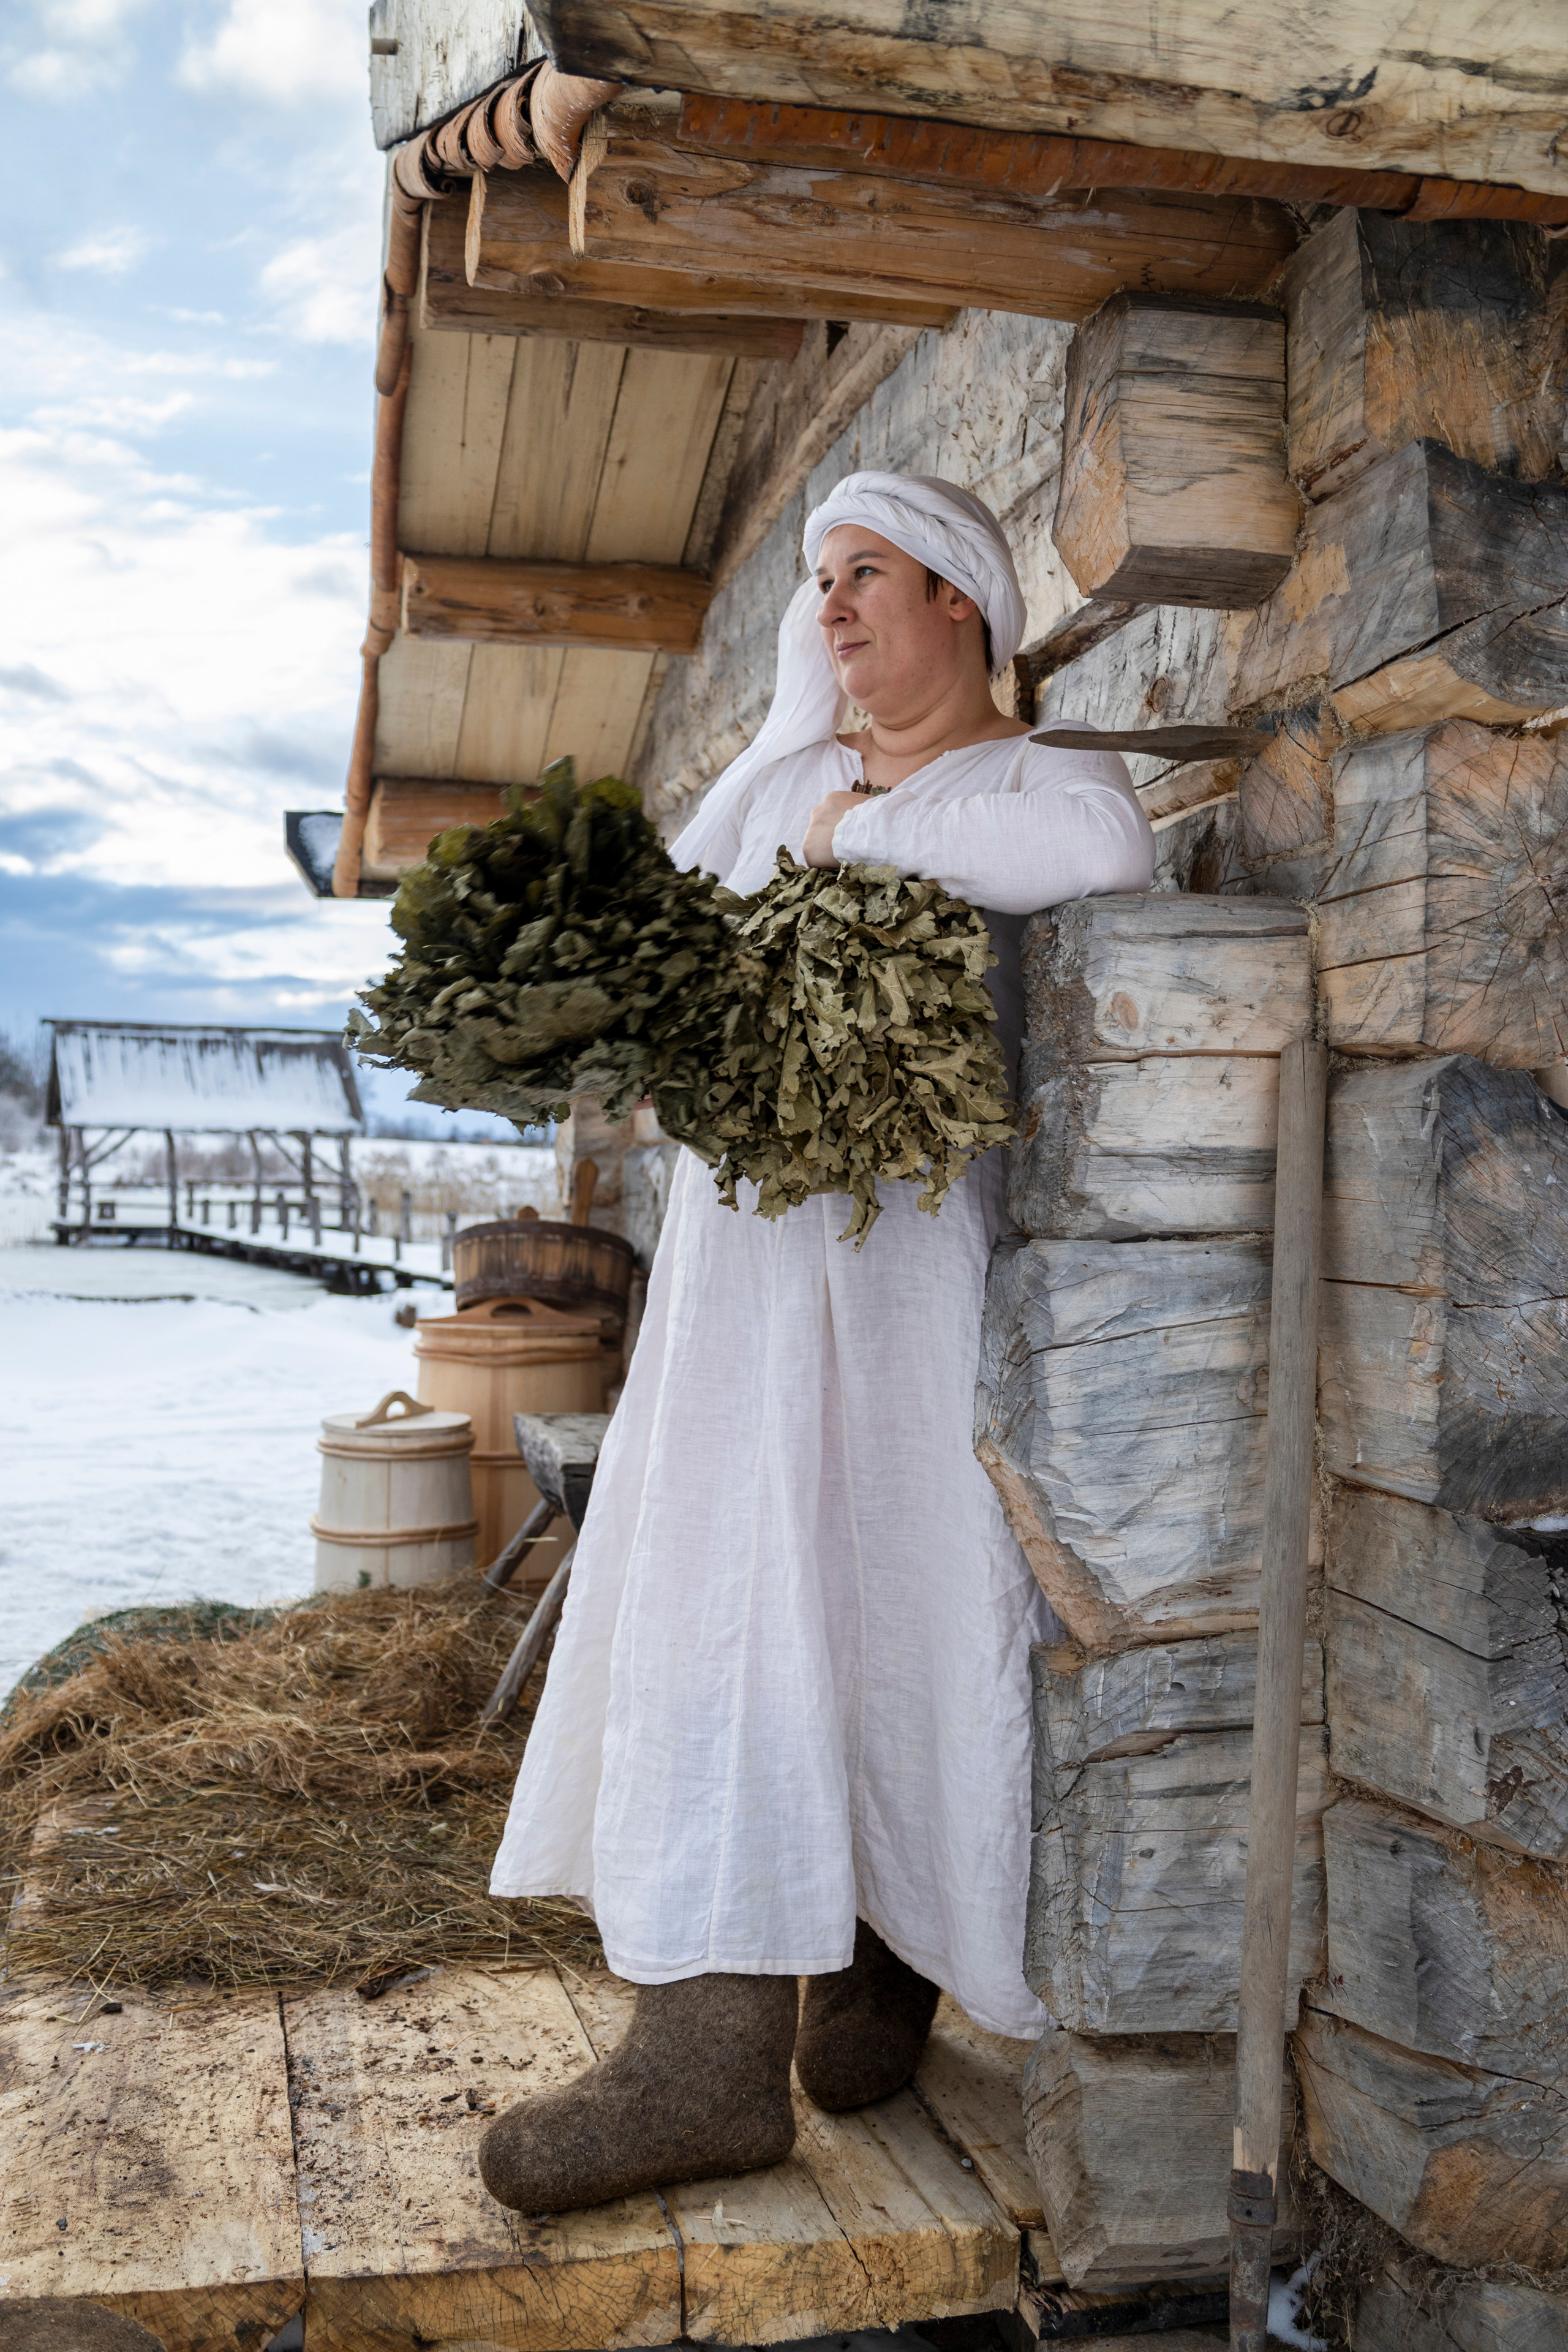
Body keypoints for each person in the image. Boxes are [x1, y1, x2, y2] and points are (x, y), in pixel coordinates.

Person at [480, 472, 1155, 2212]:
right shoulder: (782, 775)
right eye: (819, 586)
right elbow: (665, 949)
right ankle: (702, 2053)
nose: (835, 612)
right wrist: (803, 799)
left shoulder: (1035, 778)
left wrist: (856, 836)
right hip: (742, 1288)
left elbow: (1100, 856)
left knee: (897, 1601)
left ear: (964, 608)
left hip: (915, 1278)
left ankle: (884, 1951)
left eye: (869, 577)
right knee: (722, 1602)